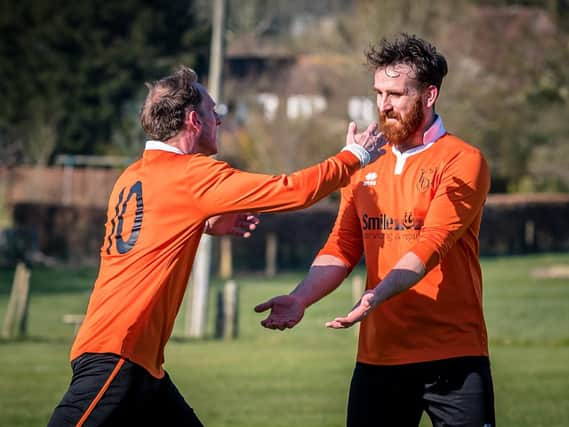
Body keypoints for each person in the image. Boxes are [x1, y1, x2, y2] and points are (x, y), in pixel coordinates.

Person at [47, 65, 385, 427]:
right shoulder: (193, 174)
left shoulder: (132, 175)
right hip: (116, 354)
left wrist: (207, 224)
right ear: (194, 120)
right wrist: (354, 156)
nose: (219, 121)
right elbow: (293, 191)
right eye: (214, 113)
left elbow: (153, 233)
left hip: (139, 363)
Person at [255, 34, 495, 427]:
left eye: (397, 94)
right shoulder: (365, 163)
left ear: (429, 95)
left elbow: (431, 242)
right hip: (379, 357)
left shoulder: (464, 161)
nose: (384, 105)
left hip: (454, 355)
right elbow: (342, 246)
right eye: (378, 93)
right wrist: (301, 298)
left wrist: (376, 294)